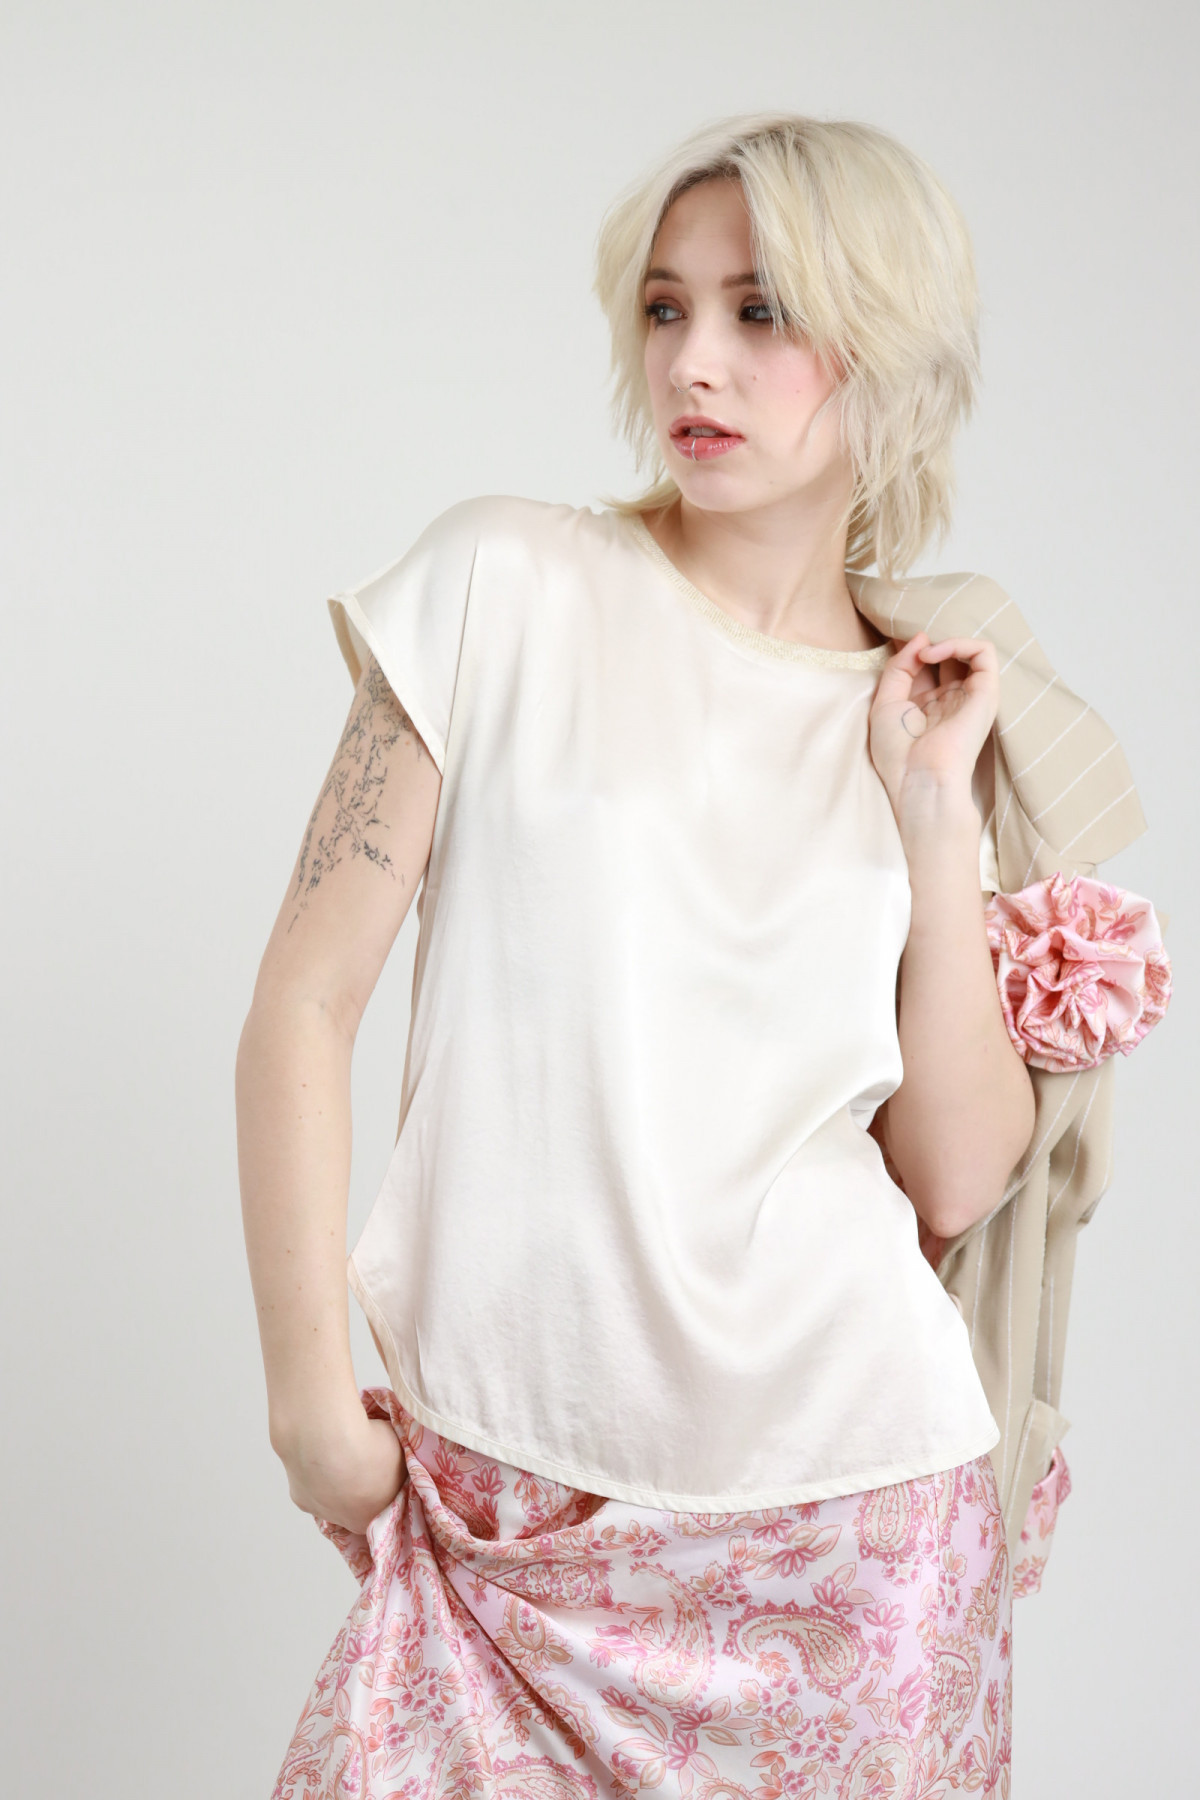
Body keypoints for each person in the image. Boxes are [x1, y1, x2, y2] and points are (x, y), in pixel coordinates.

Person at [237, 113, 1037, 1798]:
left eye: (763, 313)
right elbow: (304, 1003)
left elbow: (956, 1175)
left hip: (851, 1538)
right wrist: (309, 1398)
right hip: (505, 1523)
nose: (696, 362)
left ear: (889, 345)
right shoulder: (502, 581)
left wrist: (931, 817)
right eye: (667, 309)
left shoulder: (912, 718)